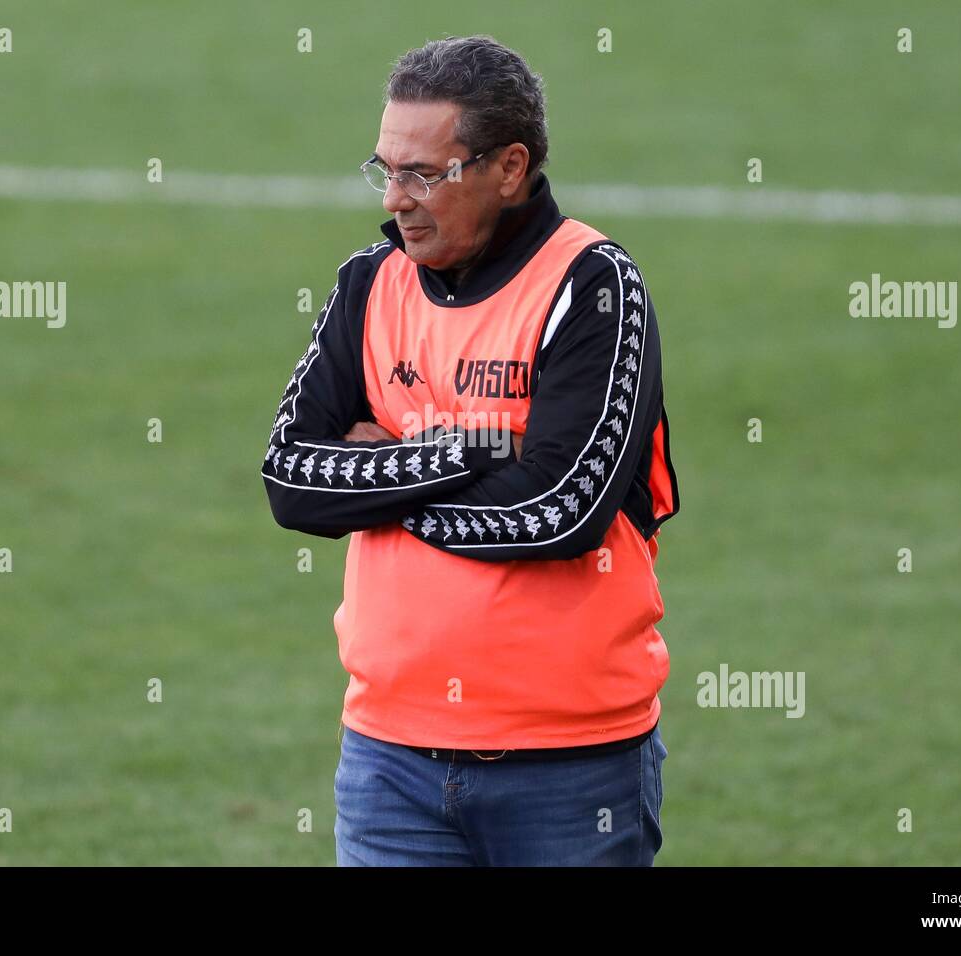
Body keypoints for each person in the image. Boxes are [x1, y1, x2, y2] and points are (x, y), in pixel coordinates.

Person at [261, 34, 680, 866]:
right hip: (389, 763)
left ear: (510, 166)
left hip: (573, 769)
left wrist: (382, 486)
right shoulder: (367, 283)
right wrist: (475, 447)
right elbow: (292, 484)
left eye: (424, 173)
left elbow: (561, 511)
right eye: (384, 168)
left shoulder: (592, 287)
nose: (396, 199)